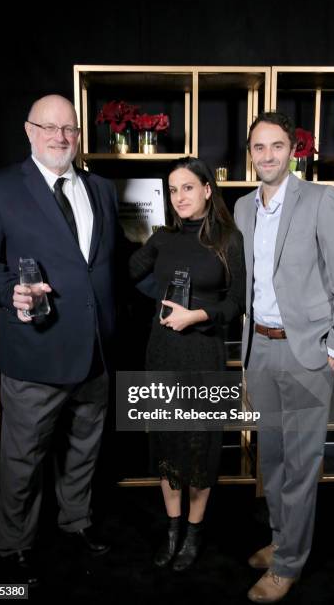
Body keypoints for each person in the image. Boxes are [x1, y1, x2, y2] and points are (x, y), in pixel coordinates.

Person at [0, 94, 121, 586]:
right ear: (29, 131)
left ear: (77, 135)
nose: (60, 137)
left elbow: (107, 263)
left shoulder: (101, 188)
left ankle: (75, 523)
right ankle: (12, 547)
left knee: (84, 450)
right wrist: (9, 290)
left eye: (69, 129)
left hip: (94, 349)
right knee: (23, 459)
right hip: (35, 350)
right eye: (49, 127)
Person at [234, 111, 334, 603]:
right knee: (274, 458)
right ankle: (282, 539)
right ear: (251, 153)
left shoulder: (320, 199)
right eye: (259, 147)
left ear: (293, 150)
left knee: (303, 463)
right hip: (260, 350)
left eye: (276, 146)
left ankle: (288, 565)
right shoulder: (243, 208)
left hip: (307, 353)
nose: (267, 156)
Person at [129, 157, 245, 571]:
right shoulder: (162, 238)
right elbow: (131, 270)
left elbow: (237, 302)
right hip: (161, 351)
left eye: (188, 188)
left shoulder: (228, 239)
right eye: (173, 189)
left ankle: (193, 534)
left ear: (207, 190)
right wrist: (161, 298)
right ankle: (172, 529)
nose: (180, 197)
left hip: (203, 352)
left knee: (199, 447)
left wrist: (196, 315)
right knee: (166, 445)